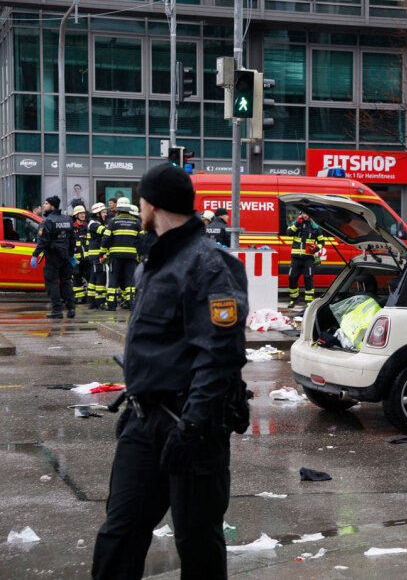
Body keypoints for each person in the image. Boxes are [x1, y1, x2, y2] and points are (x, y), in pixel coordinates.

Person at [92, 162, 248, 580]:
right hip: (145, 422)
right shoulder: (154, 262)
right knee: (119, 534)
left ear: (152, 203)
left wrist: (194, 428)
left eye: (141, 199)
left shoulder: (209, 264)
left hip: (191, 427)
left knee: (197, 543)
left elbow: (220, 354)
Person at [31, 196, 76, 319]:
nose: (44, 205)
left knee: (52, 283)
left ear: (52, 206)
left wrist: (35, 255)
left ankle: (57, 310)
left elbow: (42, 241)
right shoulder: (68, 220)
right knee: (66, 282)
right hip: (66, 256)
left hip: (53, 256)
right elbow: (73, 239)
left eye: (46, 203)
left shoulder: (47, 221)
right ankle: (71, 309)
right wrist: (71, 255)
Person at [100, 197, 141, 311]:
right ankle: (132, 304)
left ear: (118, 208)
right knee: (130, 280)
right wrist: (139, 255)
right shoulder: (136, 222)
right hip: (131, 257)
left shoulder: (113, 221)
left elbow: (106, 238)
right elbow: (142, 239)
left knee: (113, 280)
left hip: (116, 257)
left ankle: (111, 305)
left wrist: (101, 254)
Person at [286, 212, 325, 308]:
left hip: (308, 258)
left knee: (308, 278)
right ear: (301, 214)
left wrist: (316, 248)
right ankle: (293, 299)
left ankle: (308, 300)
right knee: (292, 278)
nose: (305, 215)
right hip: (296, 258)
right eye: (303, 213)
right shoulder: (296, 224)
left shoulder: (315, 227)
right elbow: (289, 233)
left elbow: (321, 242)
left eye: (307, 213)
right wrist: (297, 223)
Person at [85, 203, 108, 310]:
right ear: (97, 214)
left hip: (94, 255)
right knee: (100, 278)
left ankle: (91, 302)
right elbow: (105, 232)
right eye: (103, 212)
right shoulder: (94, 224)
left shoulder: (95, 223)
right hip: (97, 255)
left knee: (93, 279)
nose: (106, 214)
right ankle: (100, 302)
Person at [71, 205, 90, 304]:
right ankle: (79, 298)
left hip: (87, 259)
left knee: (90, 278)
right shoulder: (72, 227)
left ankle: (89, 298)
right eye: (80, 213)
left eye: (84, 213)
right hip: (76, 260)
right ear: (76, 215)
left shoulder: (88, 226)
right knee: (77, 279)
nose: (83, 215)